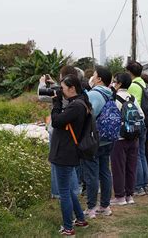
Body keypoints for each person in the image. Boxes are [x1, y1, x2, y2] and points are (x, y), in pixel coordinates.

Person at [49, 74, 91, 235]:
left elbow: (56, 121)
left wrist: (56, 102)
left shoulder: (76, 106)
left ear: (72, 88)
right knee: (68, 189)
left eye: (63, 89)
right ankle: (80, 219)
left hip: (64, 153)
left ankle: (68, 228)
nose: (62, 91)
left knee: (64, 192)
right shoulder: (81, 101)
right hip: (68, 151)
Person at [39, 65, 81, 199]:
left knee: (57, 163)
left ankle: (59, 193)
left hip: (58, 131)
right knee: (70, 164)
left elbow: (41, 95)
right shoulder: (78, 92)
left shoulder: (60, 93)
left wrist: (42, 82)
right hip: (72, 132)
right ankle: (72, 191)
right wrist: (56, 85)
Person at [83, 65, 115, 219]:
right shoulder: (110, 93)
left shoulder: (94, 94)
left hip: (95, 140)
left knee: (92, 175)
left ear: (99, 79)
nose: (92, 77)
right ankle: (105, 206)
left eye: (94, 75)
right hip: (108, 138)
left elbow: (89, 116)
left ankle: (91, 208)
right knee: (105, 172)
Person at [110, 73, 144, 206]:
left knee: (118, 167)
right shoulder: (132, 97)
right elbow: (142, 115)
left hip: (119, 138)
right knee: (131, 166)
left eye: (114, 81)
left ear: (118, 83)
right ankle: (129, 195)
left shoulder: (114, 98)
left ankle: (119, 196)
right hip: (134, 137)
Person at [126, 61, 148, 196]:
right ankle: (145, 183)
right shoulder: (142, 83)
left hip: (135, 123)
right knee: (142, 153)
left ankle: (138, 186)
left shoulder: (132, 86)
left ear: (129, 72)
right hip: (144, 122)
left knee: (137, 156)